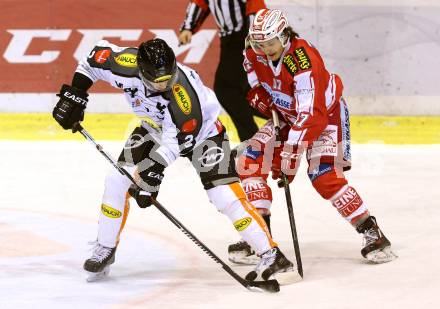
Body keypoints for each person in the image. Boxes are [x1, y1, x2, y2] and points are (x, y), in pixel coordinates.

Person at [52, 38, 295, 282]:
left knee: (224, 196)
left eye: (168, 78)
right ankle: (105, 247)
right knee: (117, 179)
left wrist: (151, 174)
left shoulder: (182, 95)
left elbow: (177, 141)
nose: (164, 84)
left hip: (203, 135)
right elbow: (91, 61)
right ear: (142, 72)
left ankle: (271, 254)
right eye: (157, 81)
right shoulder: (123, 63)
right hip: (153, 128)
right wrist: (75, 94)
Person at [229, 9, 397, 264]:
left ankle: (371, 232)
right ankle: (259, 236)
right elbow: (253, 78)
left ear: (284, 35)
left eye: (271, 43)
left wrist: (290, 155)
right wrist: (259, 95)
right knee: (251, 162)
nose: (265, 49)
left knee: (324, 176)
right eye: (260, 44)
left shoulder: (302, 60)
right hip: (288, 117)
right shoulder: (253, 51)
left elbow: (312, 114)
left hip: (325, 117)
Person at [179, 0, 267, 142]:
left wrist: (254, 36)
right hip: (229, 40)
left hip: (243, 38)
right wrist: (188, 27)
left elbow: (255, 5)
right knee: (243, 94)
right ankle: (284, 118)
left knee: (226, 91)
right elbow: (200, 2)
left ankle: (252, 141)